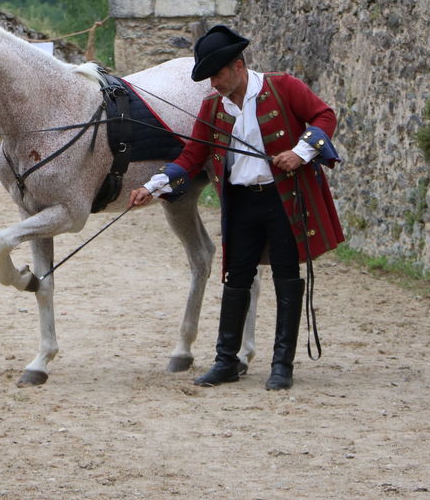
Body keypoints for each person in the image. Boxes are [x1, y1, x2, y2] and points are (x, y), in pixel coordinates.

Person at [129, 26, 343, 390]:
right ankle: (227, 361)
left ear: (239, 66)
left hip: (283, 198)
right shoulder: (213, 107)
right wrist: (152, 186)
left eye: (217, 74)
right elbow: (192, 156)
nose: (213, 83)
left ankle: (281, 365)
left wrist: (300, 152)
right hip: (241, 202)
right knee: (235, 277)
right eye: (210, 76)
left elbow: (325, 116)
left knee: (286, 277)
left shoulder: (283, 87)